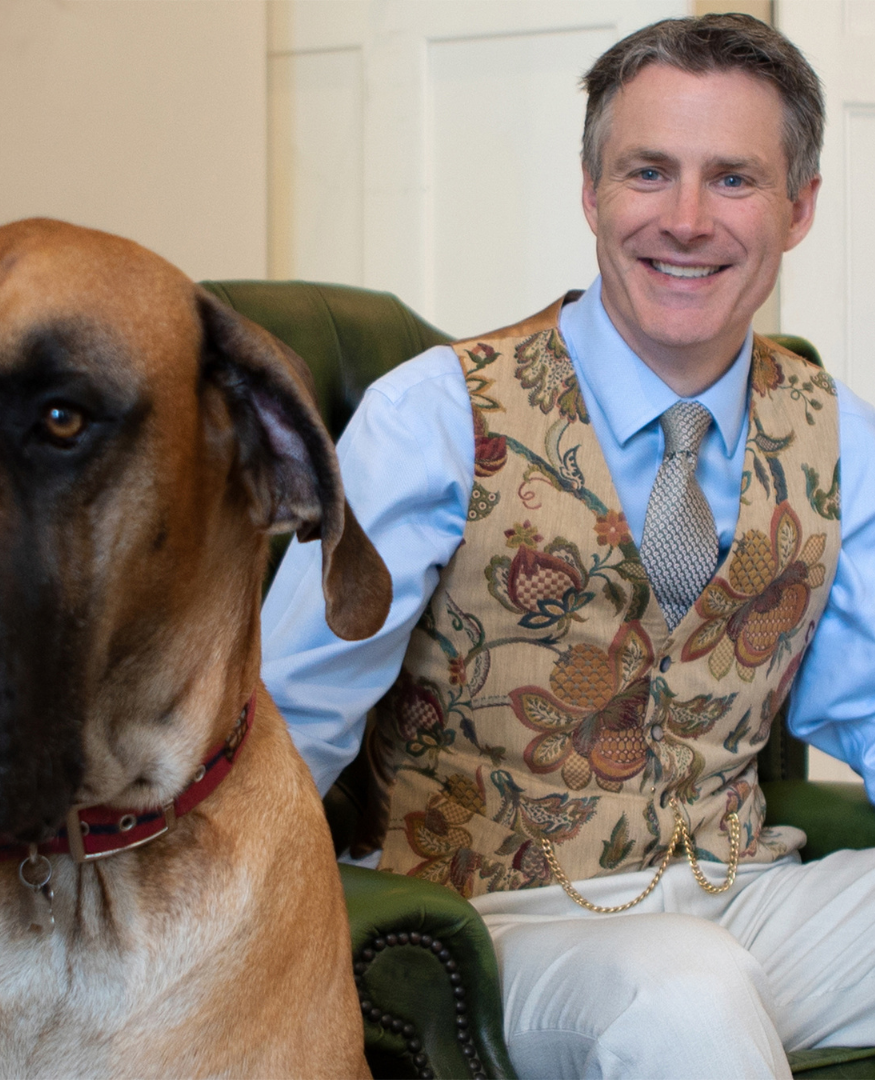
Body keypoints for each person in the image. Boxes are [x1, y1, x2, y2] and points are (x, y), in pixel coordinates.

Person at [262, 13, 875, 1080]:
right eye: (649, 172)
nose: (686, 220)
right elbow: (283, 728)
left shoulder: (839, 432)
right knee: (685, 993)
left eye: (734, 179)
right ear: (591, 191)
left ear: (801, 207)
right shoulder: (435, 415)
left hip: (747, 900)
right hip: (497, 925)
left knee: (702, 981)